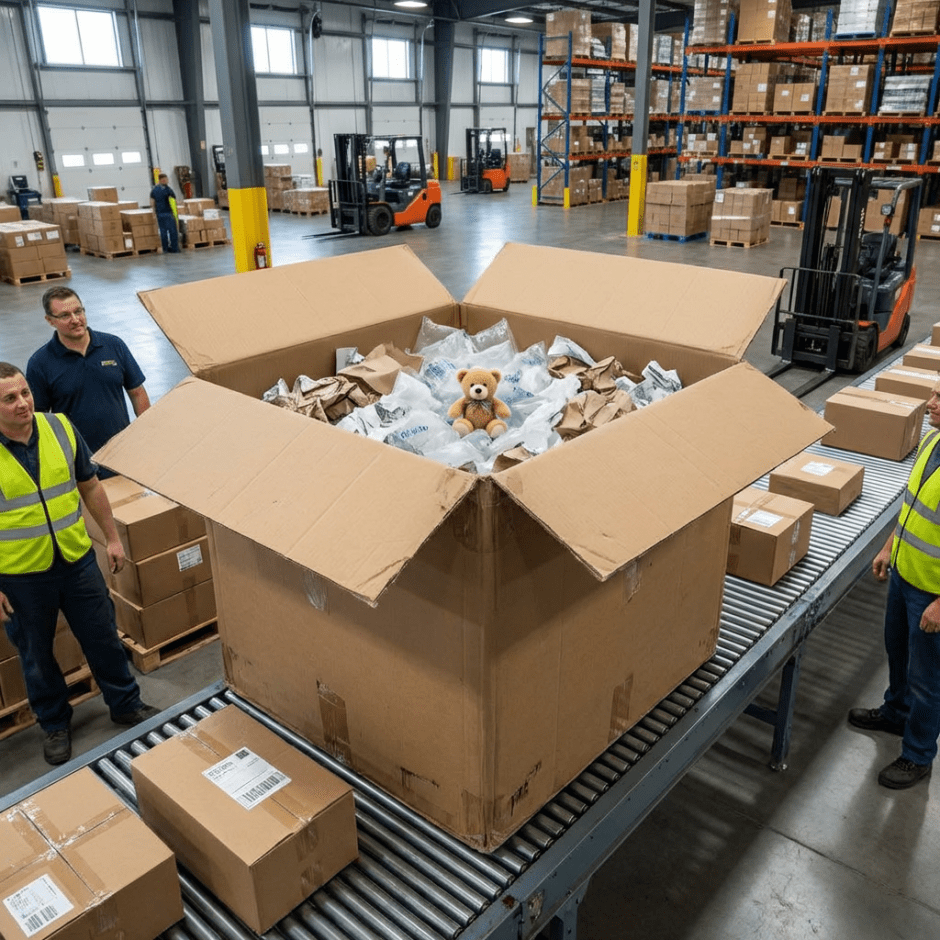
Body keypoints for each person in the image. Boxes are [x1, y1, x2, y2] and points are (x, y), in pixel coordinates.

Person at [0, 362, 159, 766]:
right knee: (35, 653)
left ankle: (126, 703)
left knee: (103, 633)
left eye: (25, 393)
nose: (23, 403)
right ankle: (54, 724)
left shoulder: (59, 427)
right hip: (20, 575)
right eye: (10, 398)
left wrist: (112, 537)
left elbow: (89, 484)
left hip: (75, 558)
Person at [849, 382, 940, 789]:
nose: (930, 404)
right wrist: (888, 547)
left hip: (931, 596)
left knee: (929, 680)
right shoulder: (932, 438)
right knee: (896, 650)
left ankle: (918, 755)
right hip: (904, 574)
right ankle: (895, 711)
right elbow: (911, 504)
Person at [27, 287, 150, 478]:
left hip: (122, 453)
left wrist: (146, 433)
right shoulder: (40, 363)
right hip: (77, 460)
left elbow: (137, 392)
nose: (76, 319)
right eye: (65, 315)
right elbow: (38, 418)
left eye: (78, 311)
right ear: (50, 321)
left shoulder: (113, 345)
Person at [149, 172, 179, 253]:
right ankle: (174, 248)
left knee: (163, 232)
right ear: (163, 180)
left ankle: (165, 249)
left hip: (159, 214)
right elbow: (175, 201)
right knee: (172, 231)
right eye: (166, 179)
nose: (167, 181)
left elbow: (152, 202)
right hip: (168, 213)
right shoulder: (168, 190)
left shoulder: (154, 190)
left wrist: (154, 212)